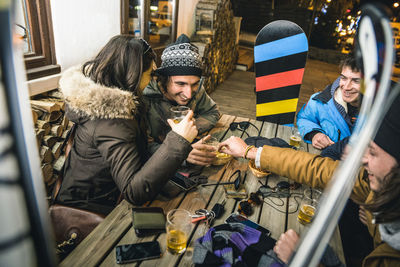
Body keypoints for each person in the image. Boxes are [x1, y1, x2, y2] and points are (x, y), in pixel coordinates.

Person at [219, 92, 400, 266]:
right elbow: (319, 169)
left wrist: (303, 261)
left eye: (373, 153)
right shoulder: (382, 185)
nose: (363, 159)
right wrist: (250, 151)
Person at [54, 35, 198, 215]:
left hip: (110, 200)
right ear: (133, 75)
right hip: (89, 214)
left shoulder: (118, 104)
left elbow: (137, 153)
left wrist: (182, 151)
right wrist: (178, 141)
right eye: (149, 74)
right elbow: (134, 192)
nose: (152, 80)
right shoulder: (111, 121)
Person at [143, 34, 221, 166]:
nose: (189, 94)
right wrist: (181, 153)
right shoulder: (146, 98)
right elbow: (144, 147)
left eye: (194, 84)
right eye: (180, 84)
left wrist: (190, 128)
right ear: (164, 79)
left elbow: (213, 112)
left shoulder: (197, 89)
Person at [297, 55, 361, 151]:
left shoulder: (385, 113)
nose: (347, 87)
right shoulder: (321, 101)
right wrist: (314, 134)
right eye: (343, 78)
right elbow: (304, 118)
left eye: (356, 81)